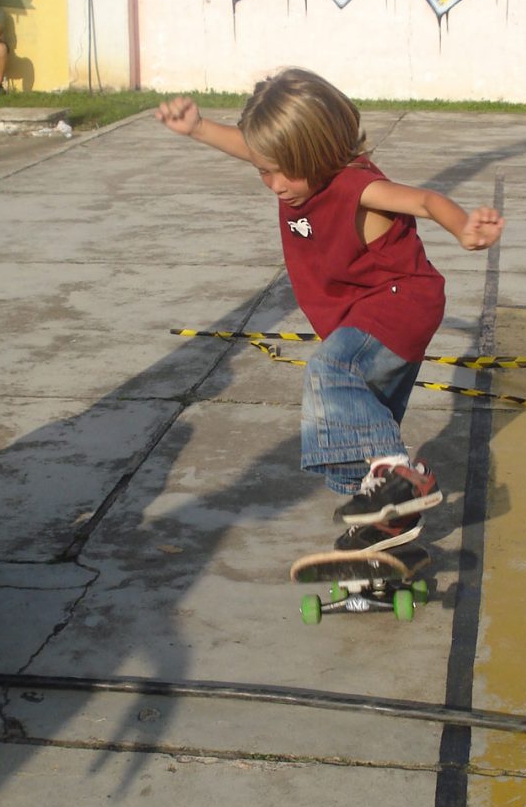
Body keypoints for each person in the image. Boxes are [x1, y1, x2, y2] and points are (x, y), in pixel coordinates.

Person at [157, 68, 504, 552]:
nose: (275, 184)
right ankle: (383, 521)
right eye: (263, 171)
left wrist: (463, 226)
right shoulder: (292, 172)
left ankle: (399, 479)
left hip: (398, 303)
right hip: (371, 314)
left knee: (330, 369)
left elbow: (423, 200)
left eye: (284, 171)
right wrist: (197, 129)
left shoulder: (355, 187)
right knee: (349, 414)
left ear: (320, 154)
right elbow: (250, 148)